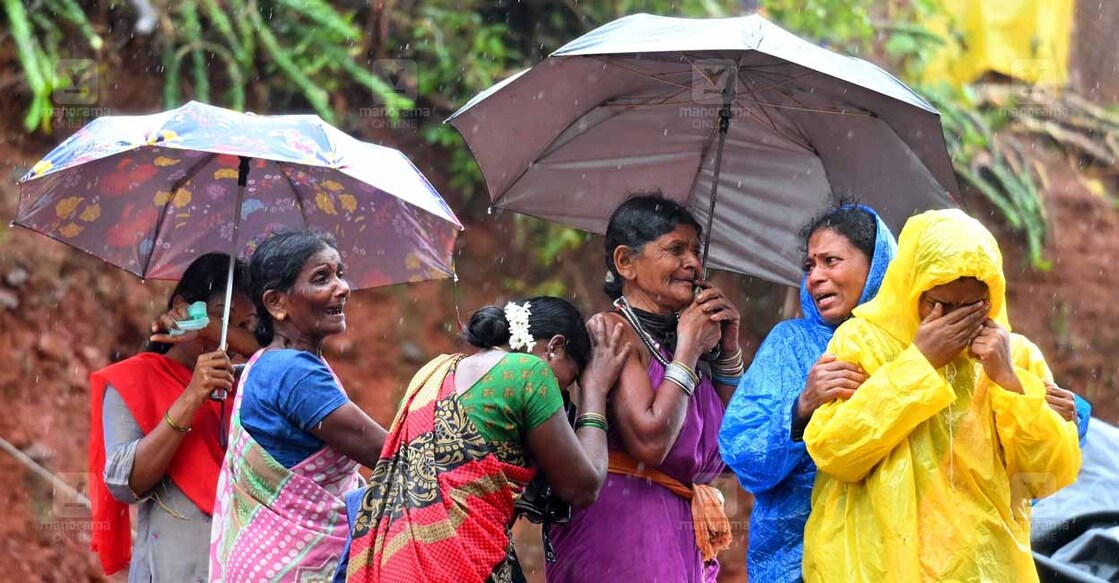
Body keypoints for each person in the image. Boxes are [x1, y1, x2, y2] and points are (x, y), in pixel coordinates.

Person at [802, 209, 1082, 582]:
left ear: (992, 298)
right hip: (876, 568)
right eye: (938, 305)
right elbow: (835, 452)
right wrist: (920, 364)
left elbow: (1045, 477)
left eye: (970, 308)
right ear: (910, 288)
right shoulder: (861, 343)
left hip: (983, 569)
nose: (954, 321)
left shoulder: (1016, 357)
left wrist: (1009, 383)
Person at [343, 297, 631, 582]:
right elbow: (583, 487)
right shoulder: (532, 373)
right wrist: (594, 390)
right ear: (554, 348)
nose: (560, 401)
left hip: (396, 564)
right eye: (565, 385)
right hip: (461, 565)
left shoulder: (433, 372)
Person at [548, 194, 741, 583]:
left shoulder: (688, 337)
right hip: (621, 530)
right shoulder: (613, 331)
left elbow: (735, 447)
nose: (693, 263)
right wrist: (687, 350)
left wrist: (727, 350)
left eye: (696, 250)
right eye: (675, 249)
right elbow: (650, 442)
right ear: (625, 263)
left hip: (677, 532)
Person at [718, 203, 896, 583]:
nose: (815, 277)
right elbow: (744, 455)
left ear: (877, 264)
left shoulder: (911, 349)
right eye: (810, 266)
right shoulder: (790, 343)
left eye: (831, 261)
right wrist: (802, 407)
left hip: (890, 559)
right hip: (793, 565)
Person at [209, 230, 388, 582]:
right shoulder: (295, 373)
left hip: (262, 561)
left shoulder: (266, 362)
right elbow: (390, 453)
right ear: (276, 303)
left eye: (339, 273)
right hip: (296, 568)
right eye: (322, 278)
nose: (342, 287)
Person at [88, 253, 256, 582]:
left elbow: (290, 357)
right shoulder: (135, 379)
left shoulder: (253, 383)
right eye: (223, 317)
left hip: (244, 566)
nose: (231, 338)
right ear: (183, 307)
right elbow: (125, 484)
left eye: (245, 327)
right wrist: (192, 397)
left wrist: (211, 326)